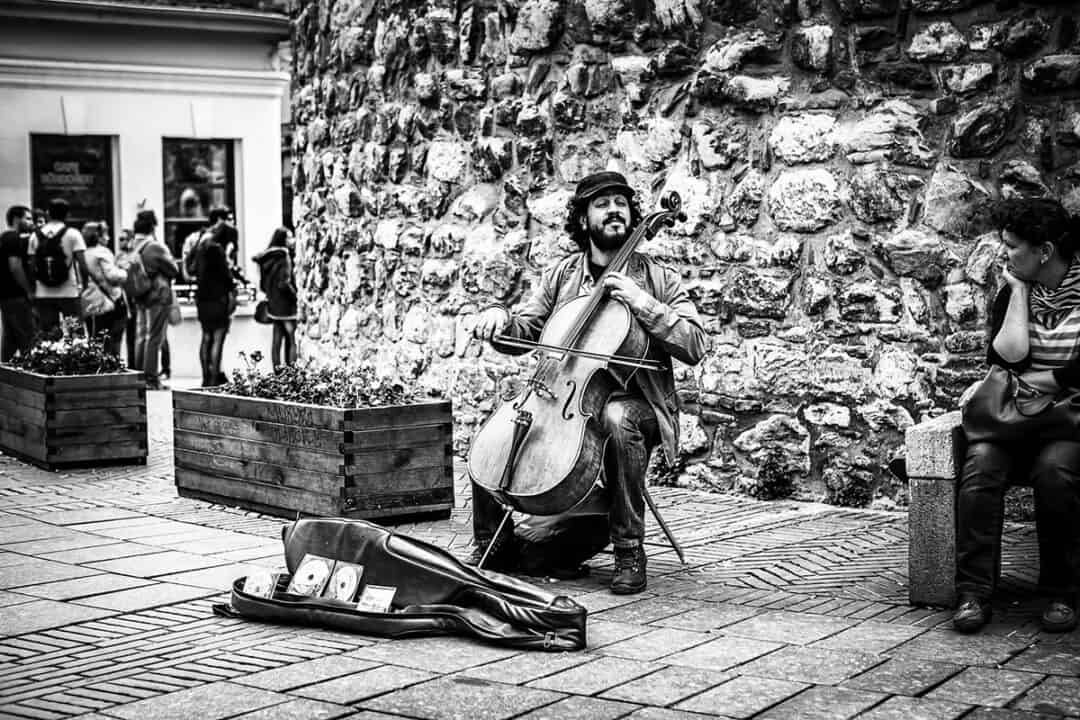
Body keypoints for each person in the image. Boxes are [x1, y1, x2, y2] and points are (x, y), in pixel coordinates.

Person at [468, 171, 708, 594]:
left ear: (635, 215)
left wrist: (641, 302)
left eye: (622, 202)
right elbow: (526, 330)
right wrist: (499, 316)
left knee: (617, 417)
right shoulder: (563, 275)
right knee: (499, 429)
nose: (614, 209)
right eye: (601, 203)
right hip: (564, 396)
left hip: (640, 405)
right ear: (583, 220)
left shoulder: (656, 278)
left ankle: (630, 550)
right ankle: (493, 542)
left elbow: (694, 343)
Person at [954, 198, 1080, 635]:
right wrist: (1022, 294)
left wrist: (1051, 379)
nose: (1003, 254)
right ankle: (973, 593)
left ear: (1043, 251)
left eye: (1012, 246)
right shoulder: (1012, 290)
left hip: (1067, 421)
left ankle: (1062, 594)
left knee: (1056, 473)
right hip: (1013, 417)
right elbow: (1006, 358)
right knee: (980, 466)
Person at [130, 210, 178, 390]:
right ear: (152, 226)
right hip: (157, 295)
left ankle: (139, 375)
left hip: (140, 295)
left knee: (141, 335)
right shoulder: (155, 246)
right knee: (155, 336)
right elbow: (173, 269)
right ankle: (151, 378)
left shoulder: (132, 245)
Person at [29, 198, 89, 336]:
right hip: (69, 291)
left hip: (43, 292)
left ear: (48, 213)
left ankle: (50, 357)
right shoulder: (73, 234)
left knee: (49, 335)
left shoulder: (35, 236)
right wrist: (84, 285)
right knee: (76, 335)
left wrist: (33, 289)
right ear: (67, 215)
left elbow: (32, 266)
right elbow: (83, 264)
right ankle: (76, 357)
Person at [192, 224, 236, 386]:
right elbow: (227, 278)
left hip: (203, 299)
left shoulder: (202, 249)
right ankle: (214, 378)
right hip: (218, 300)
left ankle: (205, 377)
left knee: (206, 337)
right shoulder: (218, 251)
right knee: (218, 339)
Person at [253, 227, 298, 369]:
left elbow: (263, 285)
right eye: (289, 237)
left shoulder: (266, 258)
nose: (292, 240)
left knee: (276, 340)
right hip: (286, 306)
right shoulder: (284, 255)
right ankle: (293, 373)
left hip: (273, 304)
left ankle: (277, 373)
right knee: (293, 339)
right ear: (283, 240)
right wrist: (296, 297)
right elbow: (284, 283)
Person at [82, 221, 128, 358]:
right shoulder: (102, 252)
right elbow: (112, 275)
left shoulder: (82, 253)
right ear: (98, 236)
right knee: (112, 340)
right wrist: (124, 272)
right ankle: (112, 370)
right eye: (105, 234)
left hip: (89, 302)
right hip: (108, 302)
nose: (108, 237)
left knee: (94, 338)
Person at [0, 205, 36, 361]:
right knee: (28, 339)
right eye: (27, 218)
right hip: (17, 296)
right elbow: (15, 266)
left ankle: (4, 376)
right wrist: (29, 290)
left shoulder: (4, 238)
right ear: (16, 219)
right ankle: (30, 378)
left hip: (6, 297)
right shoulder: (13, 238)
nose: (31, 222)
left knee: (11, 339)